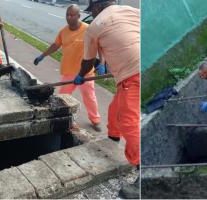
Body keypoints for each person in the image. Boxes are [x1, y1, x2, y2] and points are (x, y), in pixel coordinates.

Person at [73, 0, 140, 198]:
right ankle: (112, 139)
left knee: (128, 121)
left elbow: (88, 61)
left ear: (96, 7)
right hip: (141, 67)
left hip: (132, 75)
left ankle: (143, 171)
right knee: (114, 109)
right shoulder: (131, 10)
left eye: (91, 12)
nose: (92, 15)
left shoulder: (95, 26)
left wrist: (81, 75)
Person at [33, 4, 102, 132]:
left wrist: (102, 63)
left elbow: (99, 45)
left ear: (79, 16)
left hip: (86, 73)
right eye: (67, 15)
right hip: (69, 71)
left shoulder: (88, 29)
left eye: (72, 15)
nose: (69, 17)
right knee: (63, 98)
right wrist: (42, 55)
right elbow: (55, 45)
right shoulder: (63, 31)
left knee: (89, 97)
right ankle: (64, 118)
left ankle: (95, 120)